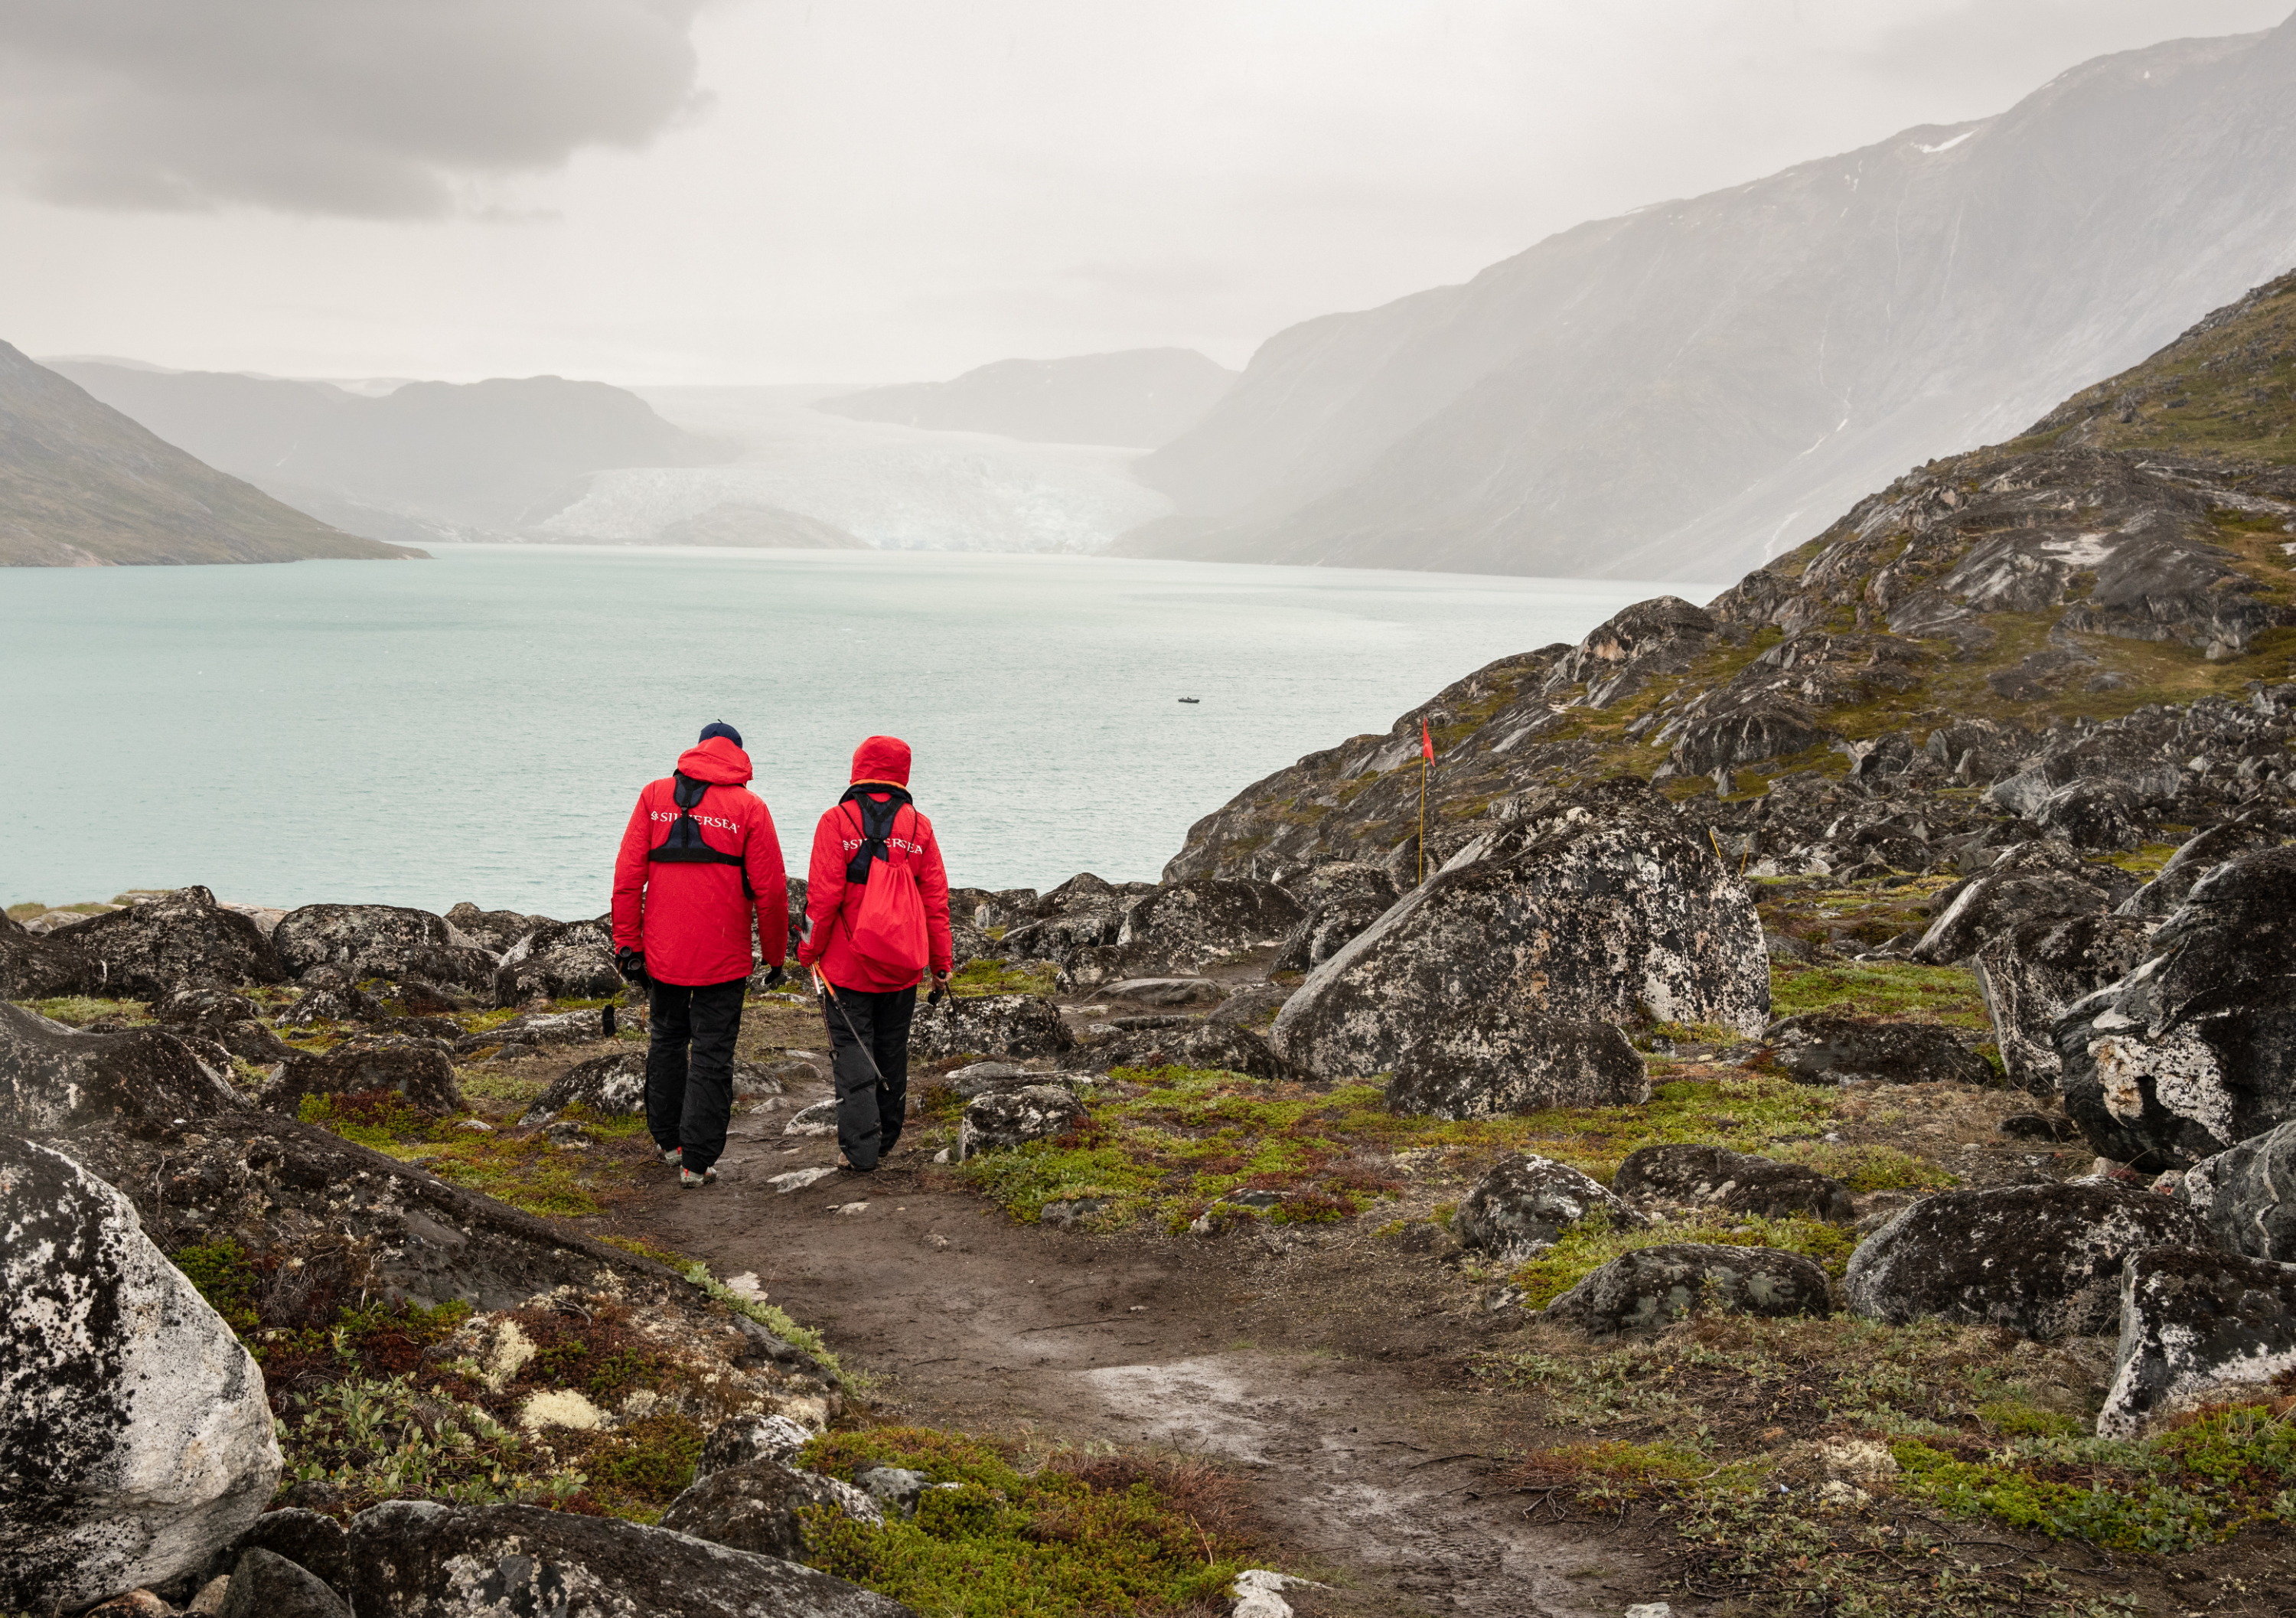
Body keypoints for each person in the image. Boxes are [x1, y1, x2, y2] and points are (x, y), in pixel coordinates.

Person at [612, 720, 788, 1188]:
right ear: (737, 757)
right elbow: (770, 892)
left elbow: (628, 878)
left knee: (667, 1041)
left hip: (664, 955)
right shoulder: (750, 807)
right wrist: (775, 957)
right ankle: (698, 1161)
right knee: (712, 1053)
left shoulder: (653, 796)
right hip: (723, 958)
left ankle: (669, 1143)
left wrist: (628, 946)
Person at [797, 735, 954, 1173]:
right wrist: (941, 965)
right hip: (903, 967)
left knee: (852, 1053)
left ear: (859, 768)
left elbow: (821, 901)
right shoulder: (920, 827)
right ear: (903, 772)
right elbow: (935, 903)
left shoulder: (836, 821)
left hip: (846, 970)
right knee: (891, 1050)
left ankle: (861, 1154)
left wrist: (807, 950)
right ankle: (885, 1141)